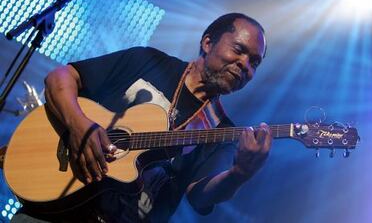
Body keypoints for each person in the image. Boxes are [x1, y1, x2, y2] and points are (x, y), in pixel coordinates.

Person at [13, 13, 272, 222]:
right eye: (238, 49)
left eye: (254, 63)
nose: (244, 65)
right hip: (54, 206)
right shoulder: (147, 60)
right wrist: (79, 124)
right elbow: (61, 77)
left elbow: (199, 196)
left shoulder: (221, 130)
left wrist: (240, 173)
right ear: (207, 43)